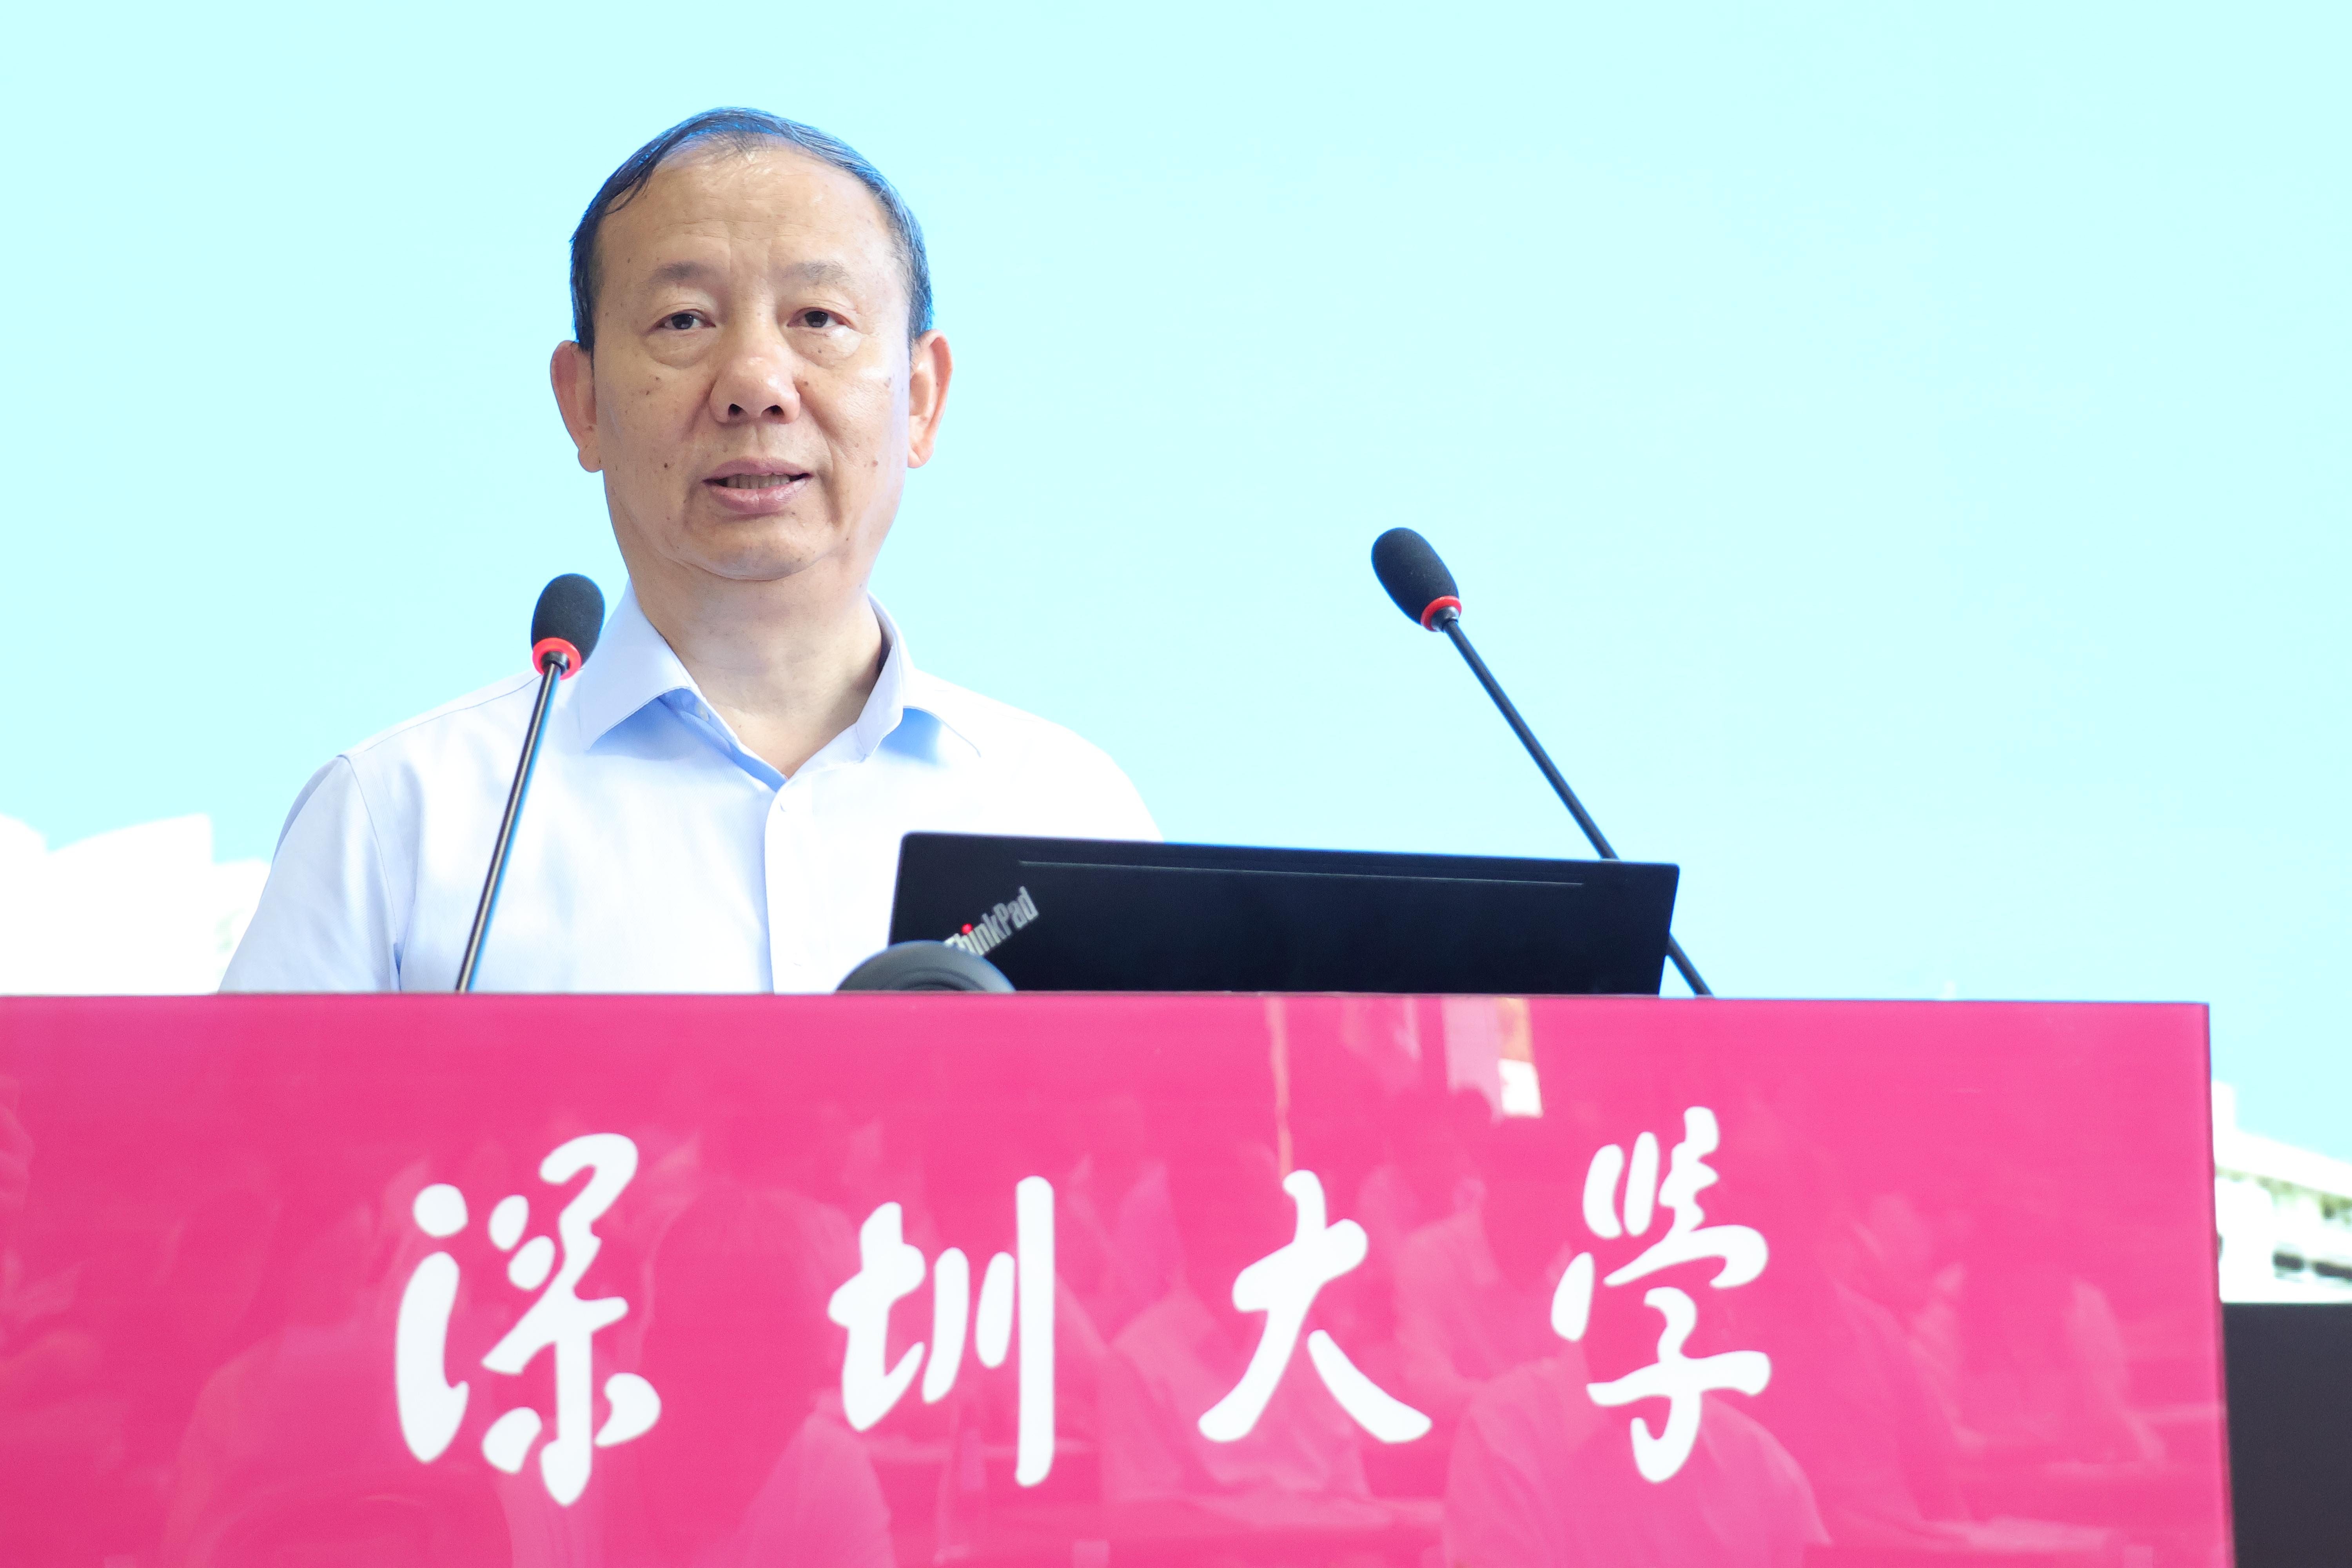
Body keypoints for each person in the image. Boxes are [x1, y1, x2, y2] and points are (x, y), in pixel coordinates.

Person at [223, 109, 1156, 993]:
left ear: (920, 397)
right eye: (684, 321)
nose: (755, 383)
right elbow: (249, 1120)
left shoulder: (1067, 816)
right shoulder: (399, 821)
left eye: (818, 318)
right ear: (584, 401)